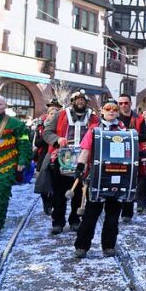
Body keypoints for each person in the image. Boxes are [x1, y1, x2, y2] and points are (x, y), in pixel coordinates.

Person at [73, 99, 130, 258]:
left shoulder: (124, 130)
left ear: (117, 112)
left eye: (114, 109)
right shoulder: (94, 130)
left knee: (113, 216)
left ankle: (109, 246)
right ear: (102, 111)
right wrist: (80, 167)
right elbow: (85, 151)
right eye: (107, 108)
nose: (111, 111)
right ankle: (82, 246)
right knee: (91, 214)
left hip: (118, 175)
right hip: (97, 177)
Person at [44, 89, 97, 234]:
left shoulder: (93, 118)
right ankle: (58, 221)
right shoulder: (60, 115)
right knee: (59, 192)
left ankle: (75, 220)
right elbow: (47, 132)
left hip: (83, 159)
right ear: (72, 101)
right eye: (77, 99)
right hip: (63, 157)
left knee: (80, 191)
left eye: (83, 100)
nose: (80, 102)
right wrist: (58, 139)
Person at [0, 94, 32, 235]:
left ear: (5, 106)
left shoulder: (16, 124)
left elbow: (24, 144)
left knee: (1, 191)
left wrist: (23, 161)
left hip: (7, 165)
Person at [116, 94, 146, 222]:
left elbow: (145, 136)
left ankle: (127, 213)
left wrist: (130, 135)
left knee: (130, 183)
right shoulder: (115, 117)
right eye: (121, 103)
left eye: (126, 103)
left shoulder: (139, 119)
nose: (124, 105)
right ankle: (116, 210)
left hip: (133, 154)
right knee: (118, 182)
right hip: (117, 154)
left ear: (130, 104)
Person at [33, 99, 61, 214]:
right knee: (43, 183)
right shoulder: (41, 126)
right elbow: (37, 142)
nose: (53, 114)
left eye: (56, 111)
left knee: (55, 183)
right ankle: (46, 203)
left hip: (56, 156)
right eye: (51, 112)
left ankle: (54, 203)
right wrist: (48, 138)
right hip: (42, 156)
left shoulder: (61, 124)